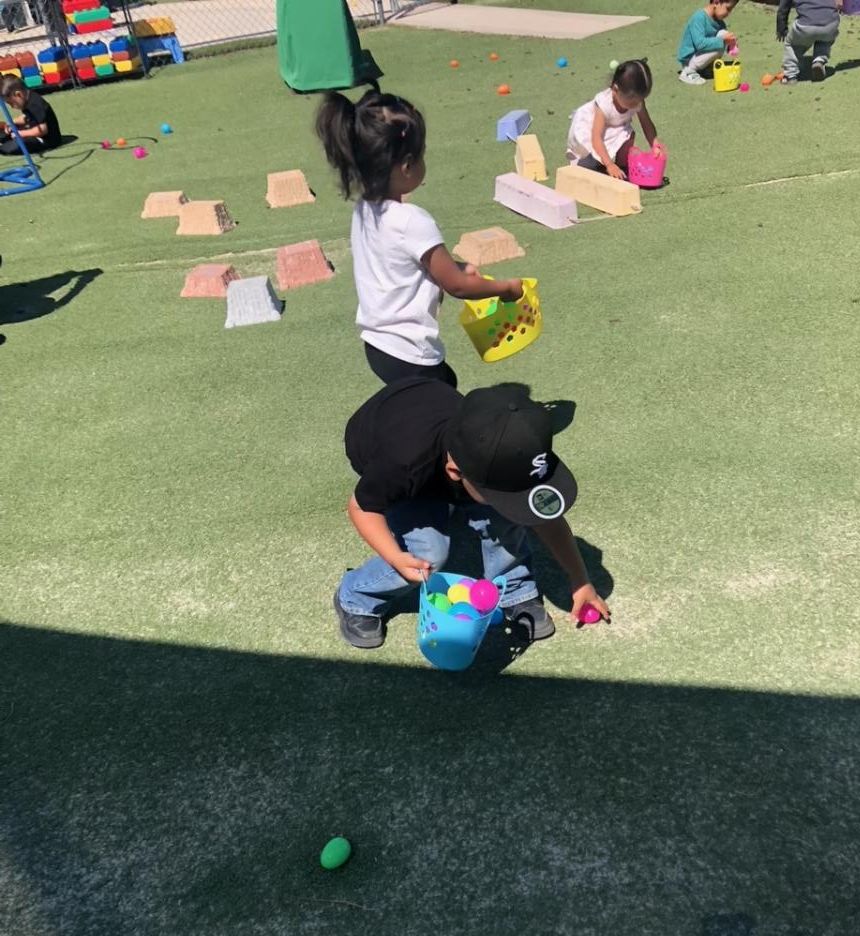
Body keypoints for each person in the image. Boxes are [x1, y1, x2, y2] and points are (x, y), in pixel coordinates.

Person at [333, 378, 611, 649]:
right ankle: (356, 596)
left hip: (434, 414)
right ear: (455, 472)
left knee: (504, 515)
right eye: (506, 493)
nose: (517, 501)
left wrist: (580, 579)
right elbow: (362, 507)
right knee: (430, 553)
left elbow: (544, 517)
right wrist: (395, 557)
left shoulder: (510, 445)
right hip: (381, 439)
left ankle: (514, 588)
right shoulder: (404, 465)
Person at [315, 90, 523, 389]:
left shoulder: (365, 210)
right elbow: (457, 286)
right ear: (407, 166)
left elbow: (402, 262)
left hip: (377, 345)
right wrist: (506, 289)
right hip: (410, 351)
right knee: (441, 399)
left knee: (440, 387)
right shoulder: (412, 220)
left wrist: (456, 265)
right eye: (422, 154)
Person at [566, 59, 662, 181]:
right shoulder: (604, 104)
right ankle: (591, 162)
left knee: (629, 134)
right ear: (615, 90)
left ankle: (622, 167)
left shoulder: (636, 100)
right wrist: (609, 164)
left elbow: (646, 123)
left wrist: (655, 145)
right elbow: (596, 137)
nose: (636, 105)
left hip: (613, 127)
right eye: (631, 102)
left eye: (640, 100)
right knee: (587, 166)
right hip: (590, 130)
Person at [777, 0, 842, 83]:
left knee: (791, 45)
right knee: (826, 38)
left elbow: (783, 9)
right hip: (831, 22)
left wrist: (782, 29)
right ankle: (819, 60)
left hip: (806, 25)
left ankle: (790, 75)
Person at [677, 1, 739, 86]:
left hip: (700, 57)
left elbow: (723, 41)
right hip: (689, 58)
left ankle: (704, 68)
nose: (728, 13)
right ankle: (688, 72)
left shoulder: (720, 22)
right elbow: (700, 44)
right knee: (720, 41)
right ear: (716, 2)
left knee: (723, 33)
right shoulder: (699, 18)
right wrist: (723, 40)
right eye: (727, 9)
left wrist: (731, 44)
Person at [0, 75, 62, 155]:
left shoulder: (35, 104)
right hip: (32, 130)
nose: (11, 106)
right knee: (3, 134)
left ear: (18, 94)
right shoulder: (27, 100)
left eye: (11, 103)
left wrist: (20, 133)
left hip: (46, 140)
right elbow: (27, 117)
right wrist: (12, 122)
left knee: (9, 148)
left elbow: (43, 130)